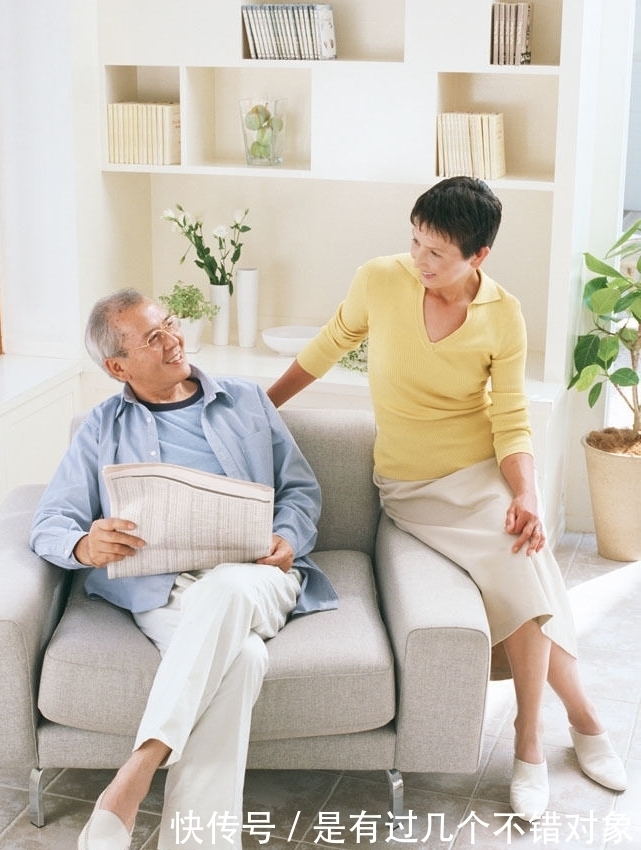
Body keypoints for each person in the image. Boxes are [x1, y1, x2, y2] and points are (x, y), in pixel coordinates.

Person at [267, 176, 627, 822]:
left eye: (436, 254)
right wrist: (259, 408)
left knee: (524, 554)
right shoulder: (381, 280)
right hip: (411, 486)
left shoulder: (503, 314)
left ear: (478, 257)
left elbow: (511, 420)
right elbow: (326, 346)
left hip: (479, 474)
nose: (419, 261)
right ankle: (582, 716)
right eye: (415, 242)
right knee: (530, 569)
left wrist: (526, 496)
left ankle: (528, 744)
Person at [30, 288, 338, 850]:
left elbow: (300, 489)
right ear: (117, 366)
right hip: (164, 592)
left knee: (227, 587)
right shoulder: (102, 428)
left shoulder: (246, 400)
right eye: (152, 337)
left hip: (257, 577)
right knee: (243, 658)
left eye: (169, 324)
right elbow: (50, 521)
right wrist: (84, 546)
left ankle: (137, 772)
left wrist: (287, 537)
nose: (173, 340)